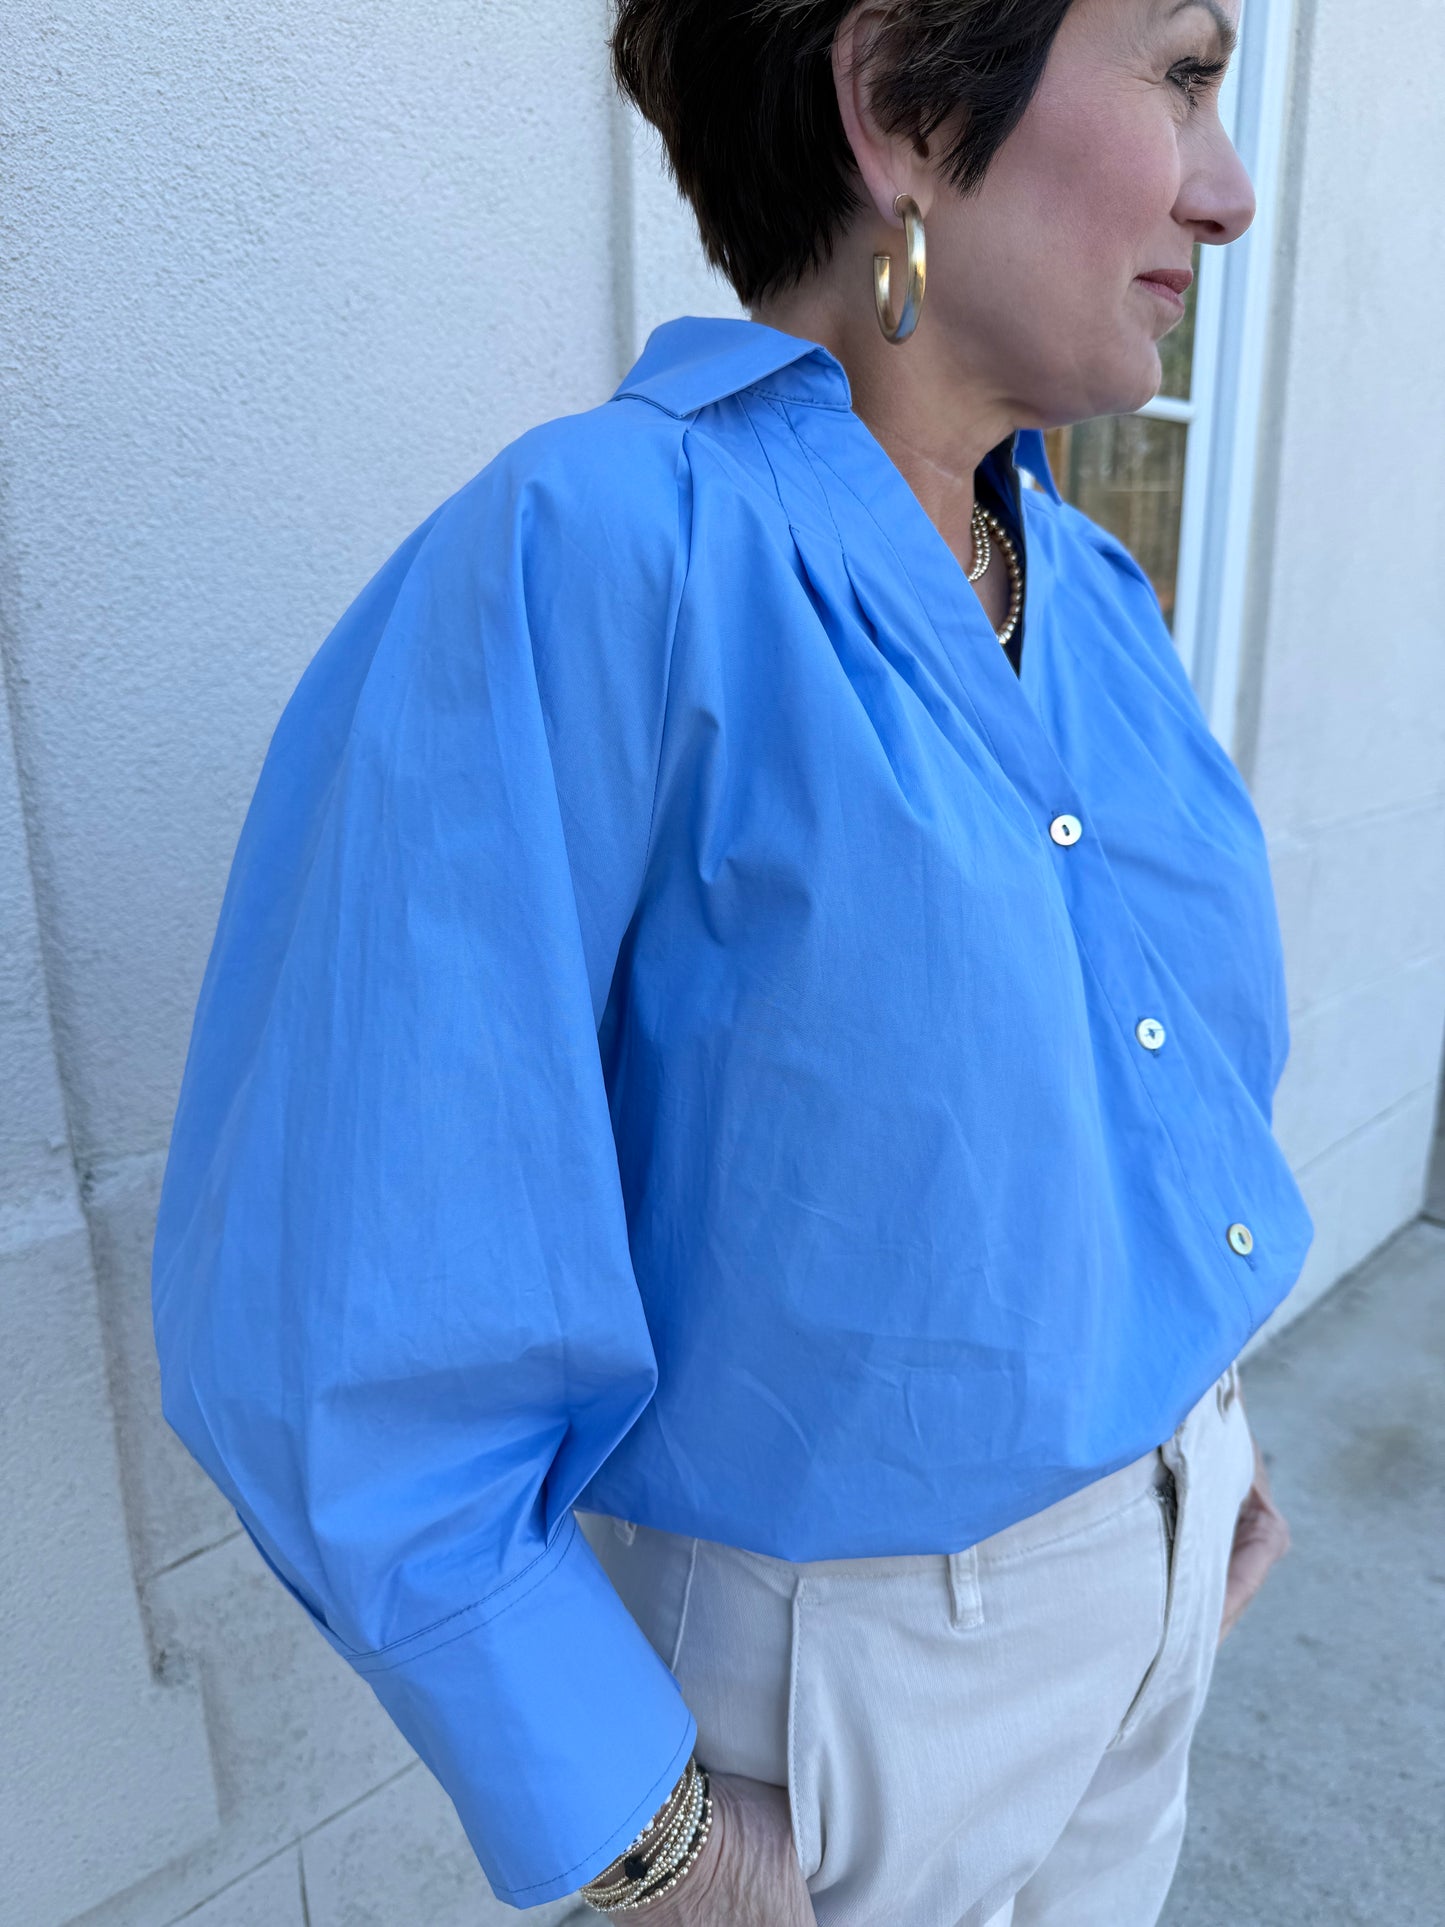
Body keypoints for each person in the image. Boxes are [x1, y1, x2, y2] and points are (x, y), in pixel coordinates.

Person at [149, 0, 1308, 1922]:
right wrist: (651, 1835)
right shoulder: (599, 554)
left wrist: (1185, 1436)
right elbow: (339, 1299)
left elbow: (1118, 1082)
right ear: (900, 104)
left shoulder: (1089, 587)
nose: (1230, 189)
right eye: (1183, 75)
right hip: (845, 1712)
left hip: (1159, 1585)